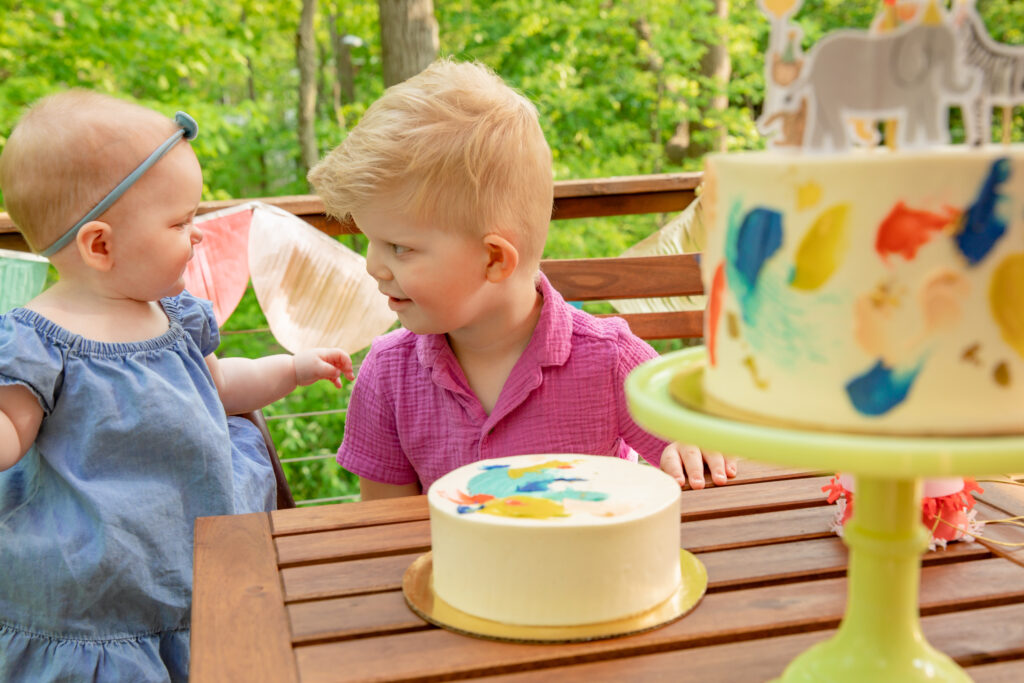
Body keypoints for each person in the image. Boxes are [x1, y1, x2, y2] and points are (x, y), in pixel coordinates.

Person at [0, 91, 354, 682]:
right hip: (96, 595)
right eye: (181, 222)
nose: (198, 237)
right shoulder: (38, 341)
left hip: (193, 560)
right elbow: (11, 425)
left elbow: (218, 386)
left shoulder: (174, 314)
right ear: (101, 245)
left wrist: (290, 368)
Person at [308, 59, 736, 501]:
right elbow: (385, 534)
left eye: (399, 247)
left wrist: (694, 441)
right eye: (370, 242)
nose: (373, 266)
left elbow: (701, 452)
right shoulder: (387, 375)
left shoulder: (613, 362)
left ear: (494, 259)